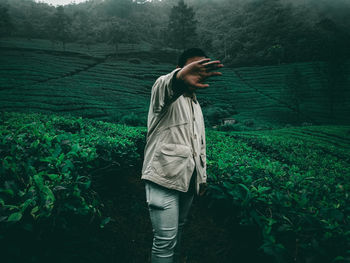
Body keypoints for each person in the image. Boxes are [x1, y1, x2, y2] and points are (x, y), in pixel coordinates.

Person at [141, 48, 224, 263]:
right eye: (193, 67)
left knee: (178, 232)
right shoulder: (166, 90)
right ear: (180, 69)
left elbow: (199, 144)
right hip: (163, 177)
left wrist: (201, 178)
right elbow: (166, 86)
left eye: (202, 68)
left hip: (187, 179)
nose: (198, 72)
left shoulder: (195, 104)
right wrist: (178, 78)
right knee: (165, 241)